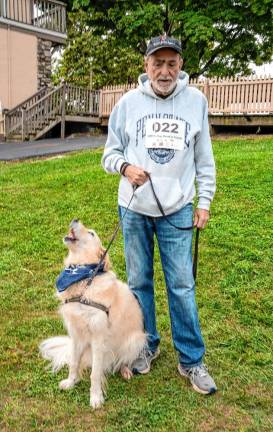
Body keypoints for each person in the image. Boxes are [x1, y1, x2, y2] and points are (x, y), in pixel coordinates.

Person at [102, 35, 217, 395]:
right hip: (134, 209)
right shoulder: (128, 104)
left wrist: (204, 201)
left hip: (177, 209)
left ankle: (192, 360)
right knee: (138, 285)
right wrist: (125, 167)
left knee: (182, 285)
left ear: (181, 65)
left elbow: (204, 160)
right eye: (158, 63)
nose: (164, 71)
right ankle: (145, 347)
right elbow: (109, 153)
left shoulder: (195, 102)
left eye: (171, 63)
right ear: (146, 65)